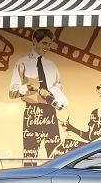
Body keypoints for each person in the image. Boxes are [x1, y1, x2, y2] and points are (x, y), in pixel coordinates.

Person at [9, 28, 68, 159]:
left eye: (50, 44)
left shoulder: (52, 66)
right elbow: (12, 93)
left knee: (55, 156)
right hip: (32, 113)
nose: (48, 47)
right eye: (45, 43)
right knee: (30, 157)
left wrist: (50, 92)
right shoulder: (21, 63)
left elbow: (59, 88)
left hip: (50, 112)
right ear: (35, 41)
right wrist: (27, 88)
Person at [51, 77, 101, 157]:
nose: (100, 90)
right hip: (92, 152)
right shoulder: (94, 114)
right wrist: (71, 128)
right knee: (66, 144)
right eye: (99, 87)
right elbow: (90, 137)